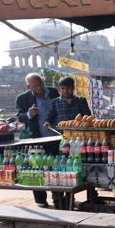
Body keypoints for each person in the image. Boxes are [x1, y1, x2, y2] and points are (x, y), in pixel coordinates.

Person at [43, 77, 91, 209]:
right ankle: (58, 200)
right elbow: (50, 116)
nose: (66, 91)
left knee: (78, 167)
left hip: (79, 140)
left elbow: (88, 116)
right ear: (59, 89)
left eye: (69, 88)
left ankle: (74, 197)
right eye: (63, 88)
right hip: (62, 140)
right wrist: (47, 122)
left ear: (73, 88)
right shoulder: (54, 102)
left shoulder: (81, 101)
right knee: (63, 168)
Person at [16, 73, 59, 208]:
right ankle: (40, 200)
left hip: (56, 137)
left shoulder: (53, 91)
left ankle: (58, 197)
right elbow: (20, 117)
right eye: (35, 85)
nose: (39, 87)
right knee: (37, 168)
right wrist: (29, 114)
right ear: (28, 87)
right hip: (36, 140)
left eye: (40, 83)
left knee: (57, 168)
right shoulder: (22, 99)